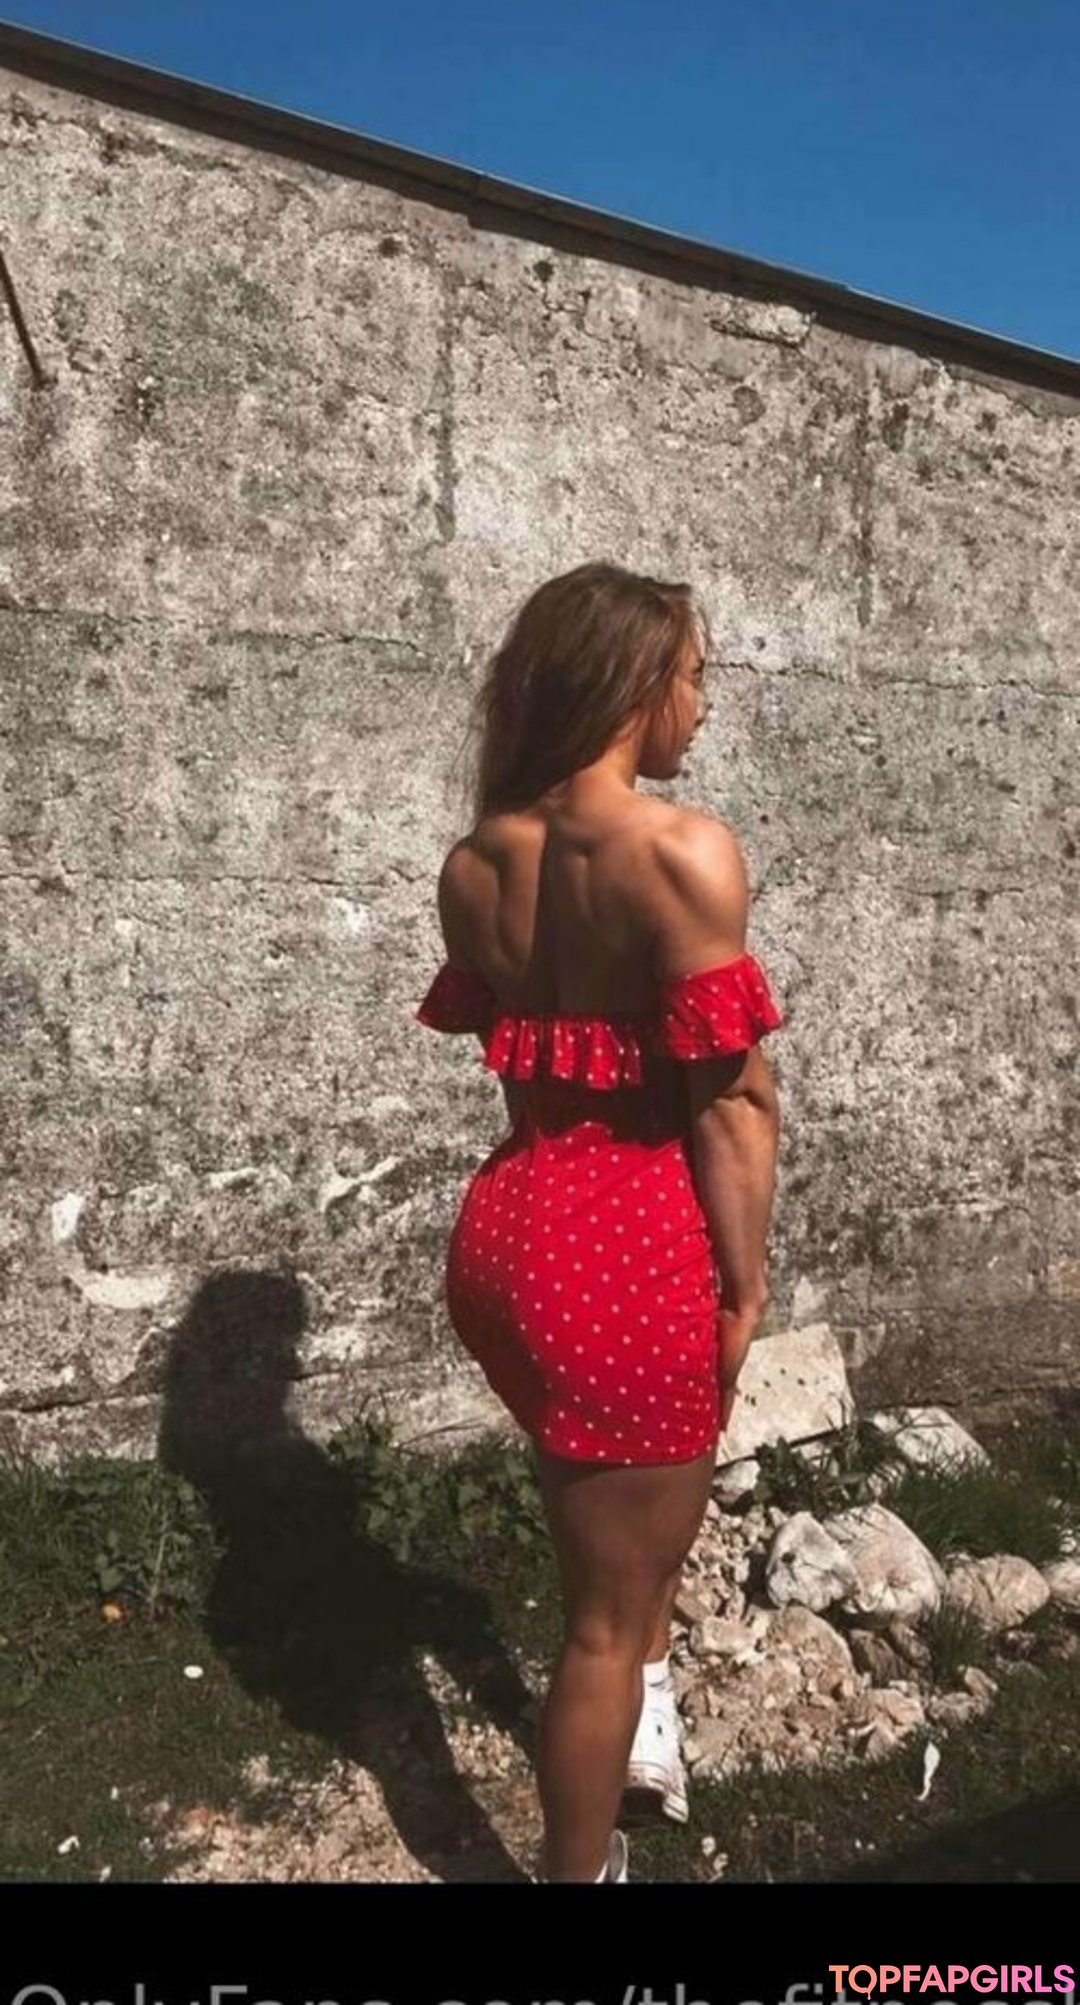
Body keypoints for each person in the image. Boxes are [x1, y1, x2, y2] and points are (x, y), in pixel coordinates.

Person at [415, 562, 783, 1882]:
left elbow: (532, 1068)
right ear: (634, 684)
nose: (704, 705)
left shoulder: (476, 862)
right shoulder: (681, 853)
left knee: (621, 1533)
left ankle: (651, 1708)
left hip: (509, 1238)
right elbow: (731, 1105)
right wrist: (744, 1288)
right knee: (601, 1626)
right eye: (695, 676)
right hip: (627, 1259)